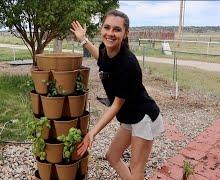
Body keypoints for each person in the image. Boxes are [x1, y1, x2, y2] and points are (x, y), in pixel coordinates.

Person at [70, 10, 165, 180]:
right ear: (101, 29)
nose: (110, 33)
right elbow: (102, 59)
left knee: (136, 170)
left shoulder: (127, 64)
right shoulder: (105, 49)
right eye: (107, 27)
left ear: (126, 33)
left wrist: (92, 132)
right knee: (112, 157)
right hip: (129, 117)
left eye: (117, 29)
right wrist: (84, 40)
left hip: (143, 117)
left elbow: (116, 105)